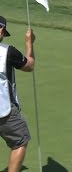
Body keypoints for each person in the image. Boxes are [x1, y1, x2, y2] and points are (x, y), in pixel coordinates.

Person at [0, 16, 35, 172]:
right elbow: (29, 65)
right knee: (20, 140)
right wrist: (29, 43)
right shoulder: (7, 52)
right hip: (4, 111)